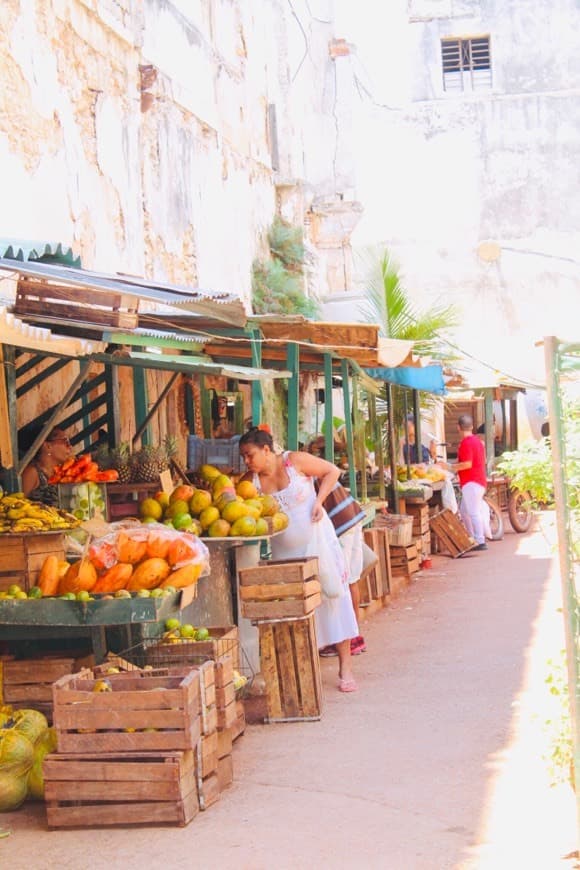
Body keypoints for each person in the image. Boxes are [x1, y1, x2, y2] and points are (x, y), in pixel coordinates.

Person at [239, 426, 359, 692]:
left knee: (333, 599)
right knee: (298, 607)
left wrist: (319, 501)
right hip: (285, 555)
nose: (247, 462)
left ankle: (345, 669)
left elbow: (332, 471)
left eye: (250, 455)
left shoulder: (294, 461)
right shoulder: (251, 482)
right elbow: (234, 502)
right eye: (244, 457)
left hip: (319, 544)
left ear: (266, 450)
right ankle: (304, 670)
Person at [444, 413, 488, 551]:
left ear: (458, 427)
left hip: (471, 481)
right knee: (464, 510)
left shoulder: (466, 443)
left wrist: (450, 467)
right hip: (478, 480)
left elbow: (467, 464)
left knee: (473, 512)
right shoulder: (477, 441)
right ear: (472, 426)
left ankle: (480, 540)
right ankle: (471, 537)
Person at [20, 427, 73, 505]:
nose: (70, 447)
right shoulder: (32, 473)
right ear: (48, 446)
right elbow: (18, 505)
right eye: (65, 441)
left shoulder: (61, 473)